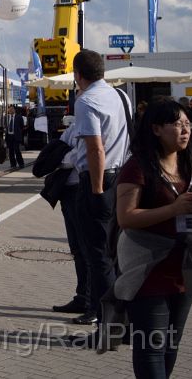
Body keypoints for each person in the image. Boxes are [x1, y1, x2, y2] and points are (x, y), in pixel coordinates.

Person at [114, 98, 192, 378]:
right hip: (148, 270)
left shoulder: (191, 167)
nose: (185, 130)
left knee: (171, 345)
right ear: (156, 129)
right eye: (177, 124)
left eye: (187, 123)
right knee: (151, 347)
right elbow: (126, 217)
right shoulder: (137, 167)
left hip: (184, 268)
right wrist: (173, 209)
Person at [70, 49, 132, 334]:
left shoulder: (86, 101)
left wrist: (95, 191)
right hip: (122, 178)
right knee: (116, 252)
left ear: (78, 74)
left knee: (97, 255)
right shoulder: (122, 97)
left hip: (99, 181)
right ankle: (123, 318)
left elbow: (95, 149)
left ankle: (107, 326)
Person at [52, 122, 91, 316]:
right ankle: (82, 296)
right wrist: (64, 155)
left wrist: (65, 155)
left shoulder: (92, 125)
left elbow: (77, 157)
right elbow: (57, 153)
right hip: (67, 191)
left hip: (82, 188)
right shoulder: (74, 126)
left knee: (87, 248)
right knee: (76, 248)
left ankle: (91, 300)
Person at [6, 104, 25, 169]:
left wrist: (18, 133)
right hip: (9, 136)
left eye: (12, 109)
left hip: (16, 136)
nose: (10, 110)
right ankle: (13, 165)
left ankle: (21, 163)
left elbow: (22, 126)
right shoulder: (7, 117)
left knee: (17, 150)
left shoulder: (19, 117)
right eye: (9, 109)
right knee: (10, 151)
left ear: (14, 110)